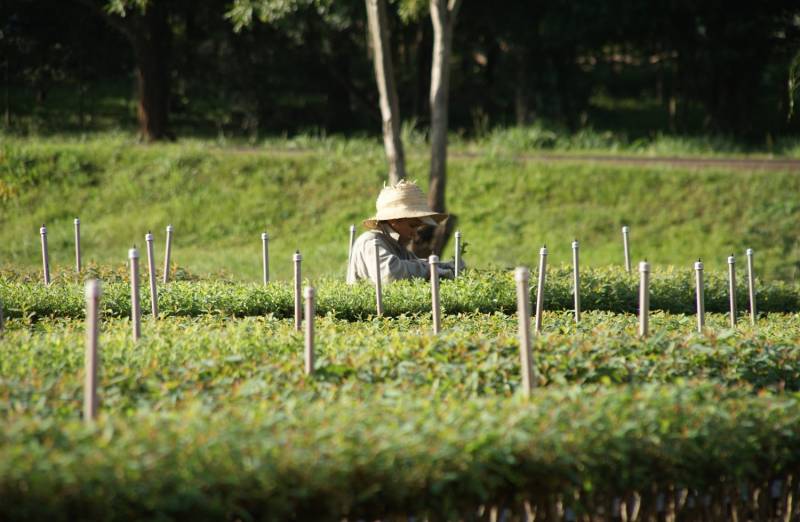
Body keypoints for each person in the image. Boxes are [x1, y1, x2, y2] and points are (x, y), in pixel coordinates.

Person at [347, 180, 462, 284]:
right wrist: (428, 270)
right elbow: (390, 274)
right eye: (412, 226)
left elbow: (418, 264)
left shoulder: (398, 248)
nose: (415, 234)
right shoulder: (371, 242)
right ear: (394, 220)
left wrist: (451, 267)